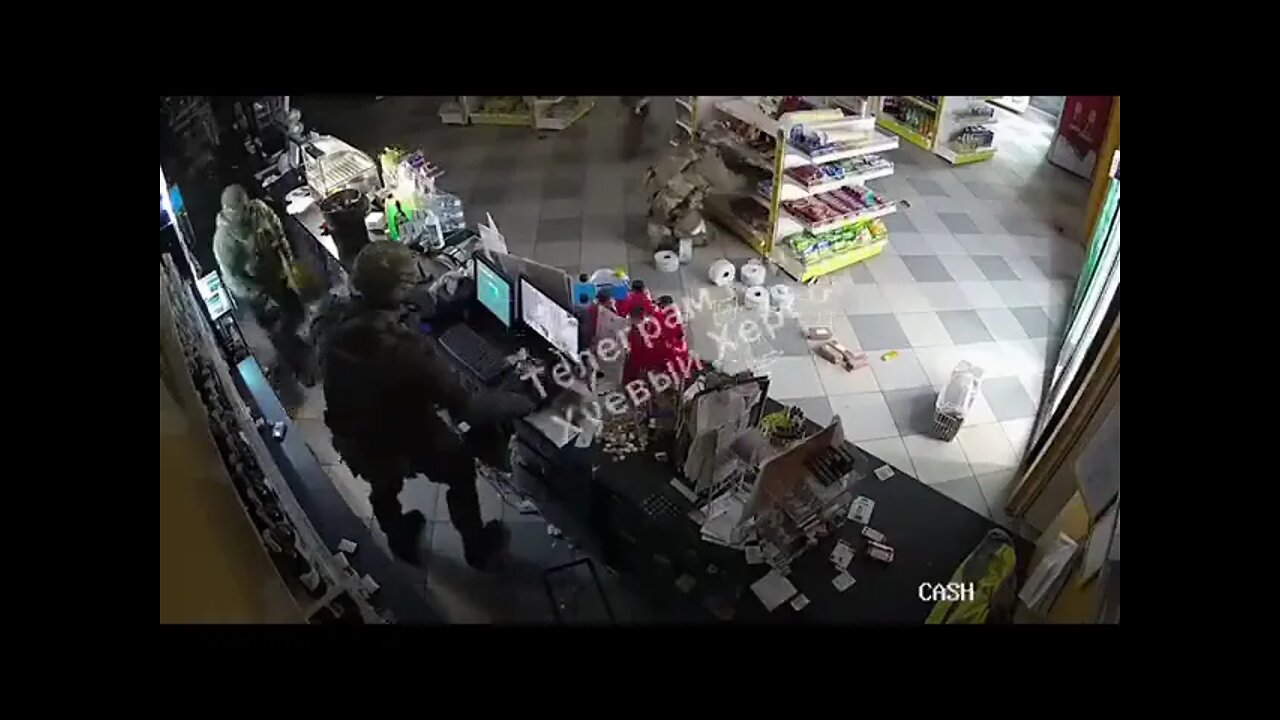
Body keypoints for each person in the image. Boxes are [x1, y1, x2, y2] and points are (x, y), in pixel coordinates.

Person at [321, 242, 534, 568]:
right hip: (400, 436)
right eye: (411, 279)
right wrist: (523, 400)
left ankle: (397, 535)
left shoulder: (331, 319)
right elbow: (469, 409)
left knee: (383, 487)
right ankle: (477, 546)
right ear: (400, 289)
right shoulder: (405, 350)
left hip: (353, 436)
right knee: (460, 467)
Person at [213, 184, 313, 385]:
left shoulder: (258, 210)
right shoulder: (224, 240)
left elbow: (277, 230)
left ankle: (299, 345)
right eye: (237, 211)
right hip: (257, 292)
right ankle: (299, 369)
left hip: (278, 276)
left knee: (296, 313)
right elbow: (233, 278)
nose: (242, 214)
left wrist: (289, 261)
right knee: (279, 331)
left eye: (244, 208)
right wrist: (262, 296)